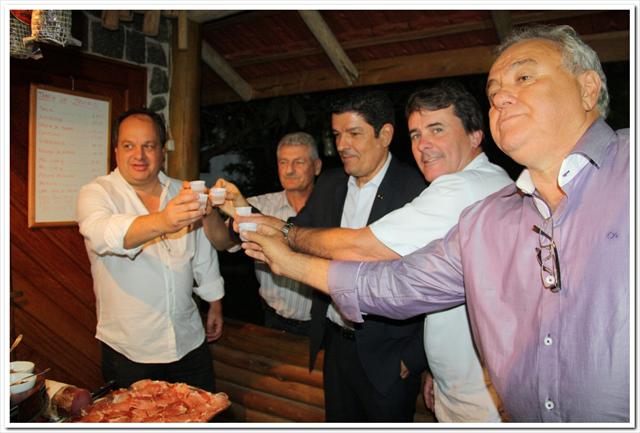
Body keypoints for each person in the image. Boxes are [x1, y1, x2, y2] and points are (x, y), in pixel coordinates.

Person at [241, 24, 629, 422]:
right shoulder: (493, 216)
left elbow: (363, 248)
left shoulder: (625, 170)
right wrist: (286, 262)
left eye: (524, 77)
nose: (501, 97)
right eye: (493, 93)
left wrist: (285, 235)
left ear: (588, 88)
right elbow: (399, 284)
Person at [242, 80, 511, 422]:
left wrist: (286, 242)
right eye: (416, 134)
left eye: (437, 129)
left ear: (475, 136)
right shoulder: (489, 180)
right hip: (429, 373)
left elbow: (364, 251)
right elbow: (442, 288)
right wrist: (436, 368)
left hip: (423, 373)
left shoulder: (452, 188)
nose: (423, 144)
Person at [76, 108, 225, 392]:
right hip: (130, 348)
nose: (139, 155)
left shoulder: (183, 191)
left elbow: (202, 253)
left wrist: (214, 301)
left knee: (202, 413)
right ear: (116, 150)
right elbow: (103, 235)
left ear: (162, 150)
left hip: (188, 340)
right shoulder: (97, 193)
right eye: (128, 146)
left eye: (149, 145)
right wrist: (164, 221)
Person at [204, 132, 322, 335]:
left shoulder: (332, 206)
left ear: (317, 166)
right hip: (273, 318)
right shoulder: (259, 206)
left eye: (299, 162)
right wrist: (208, 212)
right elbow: (222, 241)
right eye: (283, 162)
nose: (289, 170)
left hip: (322, 323)